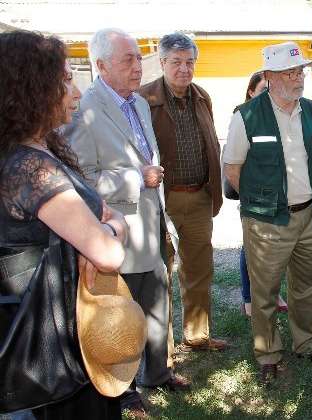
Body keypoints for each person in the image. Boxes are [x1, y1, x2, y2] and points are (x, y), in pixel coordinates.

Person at [62, 28, 189, 417]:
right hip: (117, 235)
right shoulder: (86, 111)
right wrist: (137, 179)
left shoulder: (138, 102)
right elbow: (80, 178)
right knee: (124, 315)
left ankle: (157, 372)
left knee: (156, 304)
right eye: (127, 60)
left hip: (150, 226)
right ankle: (126, 388)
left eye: (138, 57)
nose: (138, 66)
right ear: (100, 66)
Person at [0, 30, 127, 419]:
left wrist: (102, 224)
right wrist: (114, 228)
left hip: (68, 330)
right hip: (50, 351)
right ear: (32, 88)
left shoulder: (38, 150)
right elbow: (108, 254)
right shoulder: (32, 168)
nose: (75, 91)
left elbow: (97, 218)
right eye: (65, 79)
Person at [223, 41, 312, 384]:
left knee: (308, 286)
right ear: (269, 76)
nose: (298, 78)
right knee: (265, 290)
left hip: (309, 217)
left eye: (300, 71)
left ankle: (306, 342)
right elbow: (232, 168)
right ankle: (268, 352)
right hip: (267, 221)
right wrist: (261, 205)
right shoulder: (247, 116)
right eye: (290, 72)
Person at [138, 33, 228, 354]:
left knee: (199, 269)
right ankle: (162, 347)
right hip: (163, 201)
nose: (184, 69)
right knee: (162, 272)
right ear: (162, 63)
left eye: (189, 62)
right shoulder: (143, 100)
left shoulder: (202, 97)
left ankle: (197, 335)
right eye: (176, 62)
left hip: (200, 197)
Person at [235, 72, 288, 317]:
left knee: (276, 251)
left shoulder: (280, 117)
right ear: (251, 93)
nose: (269, 95)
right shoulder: (244, 117)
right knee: (251, 250)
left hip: (279, 199)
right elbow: (234, 166)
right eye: (263, 90)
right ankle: (248, 297)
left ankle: (274, 293)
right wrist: (252, 199)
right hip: (255, 200)